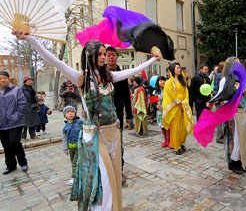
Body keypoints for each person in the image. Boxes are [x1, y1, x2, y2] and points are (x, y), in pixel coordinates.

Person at [12, 29, 160, 211]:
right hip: (94, 135)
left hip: (113, 132)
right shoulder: (80, 77)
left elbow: (134, 70)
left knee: (113, 173)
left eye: (106, 54)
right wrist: (30, 38)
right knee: (102, 177)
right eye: (101, 54)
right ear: (91, 55)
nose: (105, 57)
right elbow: (53, 60)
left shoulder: (109, 77)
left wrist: (153, 60)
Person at [105, 46, 133, 185]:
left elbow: (126, 95)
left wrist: (129, 113)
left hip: (117, 113)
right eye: (108, 55)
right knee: (104, 143)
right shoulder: (100, 73)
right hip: (102, 114)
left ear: (117, 57)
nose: (111, 57)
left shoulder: (122, 74)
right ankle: (106, 170)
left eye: (113, 55)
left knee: (118, 142)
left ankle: (119, 169)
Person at [162, 63, 194, 155]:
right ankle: (176, 146)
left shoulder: (183, 80)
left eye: (179, 68)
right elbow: (171, 95)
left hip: (184, 106)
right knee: (176, 127)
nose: (179, 69)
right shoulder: (168, 83)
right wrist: (179, 103)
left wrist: (184, 103)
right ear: (173, 69)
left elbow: (186, 93)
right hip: (175, 108)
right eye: (178, 68)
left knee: (184, 127)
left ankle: (182, 143)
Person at [0, 70, 28, 175]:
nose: (2, 80)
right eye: (0, 78)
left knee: (14, 142)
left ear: (8, 79)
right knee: (6, 145)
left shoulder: (16, 90)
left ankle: (23, 162)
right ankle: (10, 165)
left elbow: (22, 104)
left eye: (4, 78)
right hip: (1, 124)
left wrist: (17, 116)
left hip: (15, 122)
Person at [62, 106, 83, 186]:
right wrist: (65, 149)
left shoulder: (80, 122)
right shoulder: (65, 127)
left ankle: (74, 178)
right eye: (68, 112)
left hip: (79, 147)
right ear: (65, 115)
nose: (70, 113)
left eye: (72, 112)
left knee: (75, 162)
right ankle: (79, 174)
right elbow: (64, 139)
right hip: (71, 148)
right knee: (73, 162)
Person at [21, 75, 40, 139]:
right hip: (25, 108)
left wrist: (37, 105)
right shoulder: (22, 89)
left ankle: (33, 135)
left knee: (32, 122)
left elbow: (35, 98)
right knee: (24, 124)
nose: (30, 82)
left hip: (32, 107)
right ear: (25, 82)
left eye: (31, 80)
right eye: (29, 80)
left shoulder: (32, 89)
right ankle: (23, 137)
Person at [152, 76, 170, 147]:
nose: (162, 82)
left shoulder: (168, 90)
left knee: (168, 126)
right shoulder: (155, 92)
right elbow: (153, 103)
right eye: (160, 81)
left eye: (164, 80)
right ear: (158, 82)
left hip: (168, 111)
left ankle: (169, 141)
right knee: (162, 126)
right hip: (159, 112)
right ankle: (166, 140)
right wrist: (156, 106)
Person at [213, 61, 225, 144]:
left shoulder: (217, 75)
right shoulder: (222, 76)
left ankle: (219, 136)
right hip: (221, 101)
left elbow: (215, 88)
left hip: (217, 99)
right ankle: (220, 137)